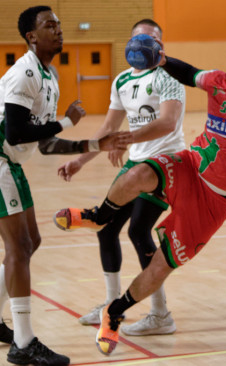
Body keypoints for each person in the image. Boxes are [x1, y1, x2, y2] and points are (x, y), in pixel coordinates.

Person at [53, 33, 226, 355]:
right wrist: (163, 60)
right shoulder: (217, 81)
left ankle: (113, 312)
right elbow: (189, 73)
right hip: (190, 166)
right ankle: (99, 216)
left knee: (160, 266)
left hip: (217, 200)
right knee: (140, 172)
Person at [0, 6, 130, 365]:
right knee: (19, 247)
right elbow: (15, 131)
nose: (58, 30)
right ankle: (24, 344)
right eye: (49, 25)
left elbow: (44, 144)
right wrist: (65, 122)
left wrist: (93, 145)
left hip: (11, 162)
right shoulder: (24, 72)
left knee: (31, 242)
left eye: (58, 24)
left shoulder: (50, 76)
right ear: (31, 36)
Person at [56, 19, 185, 336]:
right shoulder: (123, 80)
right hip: (136, 164)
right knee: (107, 229)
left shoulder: (170, 77)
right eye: (139, 38)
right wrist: (81, 160)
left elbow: (168, 123)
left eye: (153, 38)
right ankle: (112, 304)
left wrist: (129, 137)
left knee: (139, 231)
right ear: (130, 43)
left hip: (165, 165)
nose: (145, 42)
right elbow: (108, 129)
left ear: (161, 45)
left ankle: (160, 314)